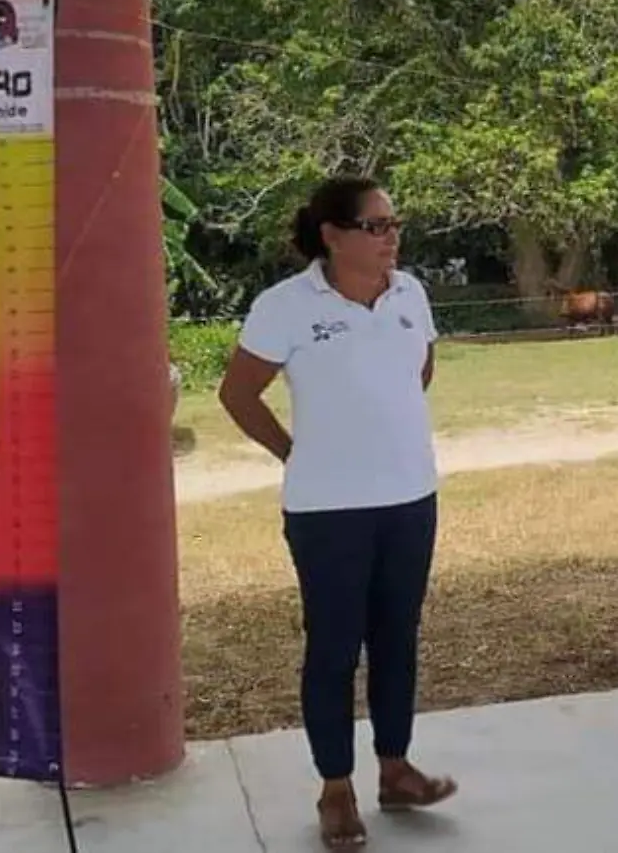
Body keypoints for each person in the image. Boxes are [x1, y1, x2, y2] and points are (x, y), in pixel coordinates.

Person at [219, 177, 456, 848]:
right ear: (332, 234)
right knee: (333, 648)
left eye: (394, 223)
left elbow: (420, 369)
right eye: (376, 225)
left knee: (397, 639)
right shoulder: (285, 305)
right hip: (328, 511)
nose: (391, 237)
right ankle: (335, 788)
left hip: (410, 498)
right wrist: (295, 452)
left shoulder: (410, 293)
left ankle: (396, 768)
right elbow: (238, 394)